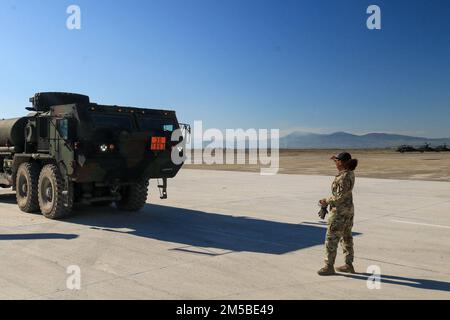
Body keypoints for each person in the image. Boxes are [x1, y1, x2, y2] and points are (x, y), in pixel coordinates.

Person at [317, 152, 358, 276]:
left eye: (337, 161)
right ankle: (348, 264)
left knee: (331, 239)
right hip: (348, 211)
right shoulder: (350, 173)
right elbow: (343, 194)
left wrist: (326, 201)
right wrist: (336, 159)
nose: (335, 163)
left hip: (339, 213)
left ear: (342, 162)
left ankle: (329, 266)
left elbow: (339, 197)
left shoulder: (344, 177)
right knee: (347, 238)